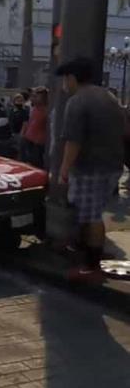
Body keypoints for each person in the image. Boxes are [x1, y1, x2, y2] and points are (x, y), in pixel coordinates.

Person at [57, 58, 125, 279]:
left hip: (89, 168)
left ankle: (91, 266)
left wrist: (64, 169)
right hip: (112, 165)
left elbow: (73, 141)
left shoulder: (77, 102)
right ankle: (87, 252)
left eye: (65, 79)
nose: (63, 84)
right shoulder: (109, 97)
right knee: (92, 212)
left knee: (91, 215)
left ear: (72, 78)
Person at [22, 87, 48, 168]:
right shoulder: (33, 108)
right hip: (28, 140)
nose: (33, 98)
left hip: (38, 143)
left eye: (36, 96)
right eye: (32, 96)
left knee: (35, 165)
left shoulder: (47, 111)